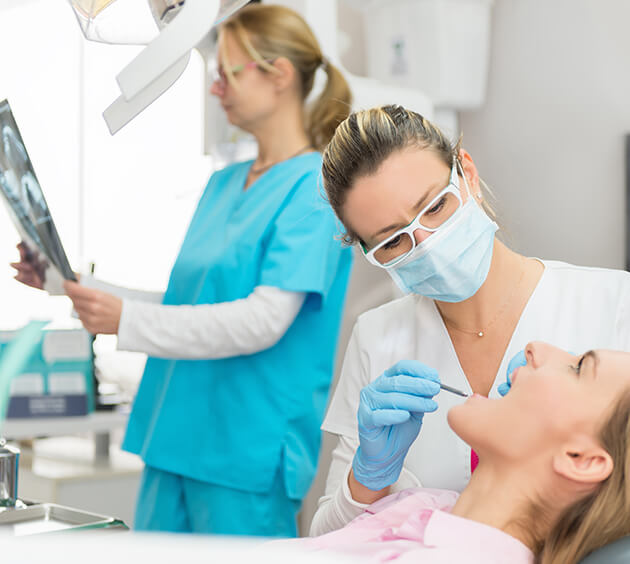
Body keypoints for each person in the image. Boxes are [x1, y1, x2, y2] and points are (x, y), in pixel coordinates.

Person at [12, 4, 353, 537]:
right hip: (174, 437)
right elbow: (181, 303)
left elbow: (262, 320)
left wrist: (125, 320)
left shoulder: (314, 191)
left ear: (279, 75)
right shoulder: (224, 183)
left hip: (245, 451)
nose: (215, 88)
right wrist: (67, 283)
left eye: (227, 72)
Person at [309, 104, 630, 535]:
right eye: (392, 242)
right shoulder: (377, 338)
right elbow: (325, 540)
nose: (426, 244)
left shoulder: (613, 303)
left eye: (436, 207)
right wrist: (367, 480)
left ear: (468, 175)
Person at [274, 342, 630, 563]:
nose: (534, 347)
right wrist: (369, 478)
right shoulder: (425, 505)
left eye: (579, 367)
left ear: (580, 460)